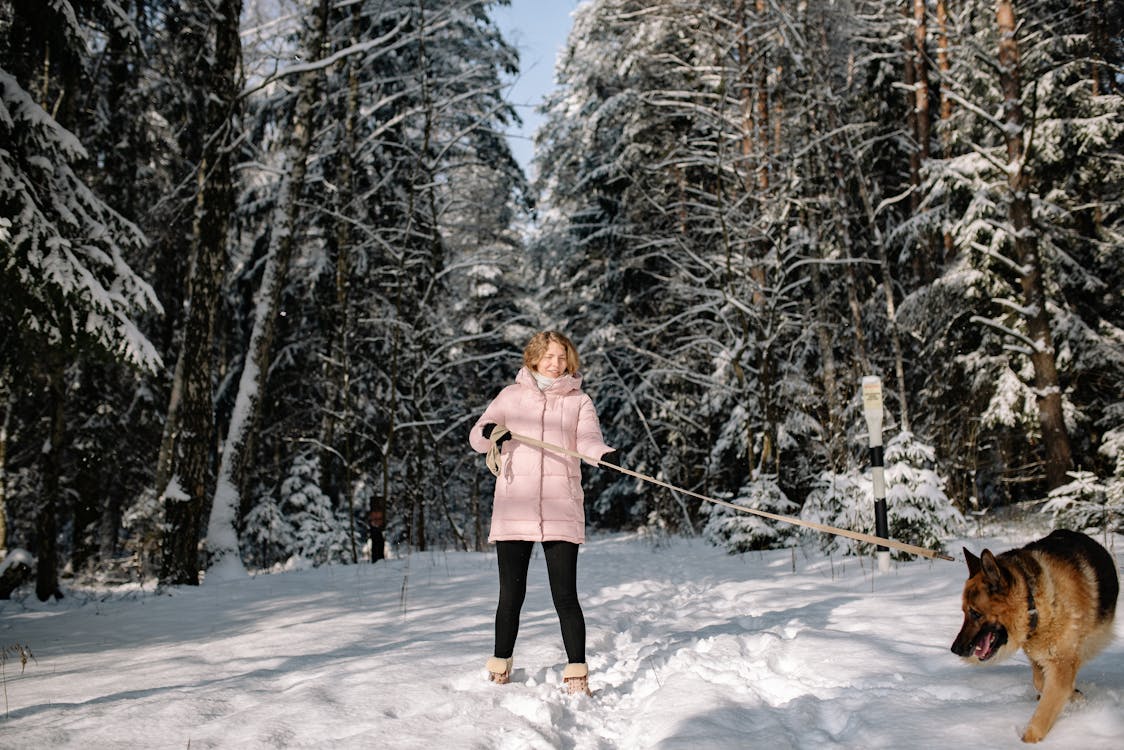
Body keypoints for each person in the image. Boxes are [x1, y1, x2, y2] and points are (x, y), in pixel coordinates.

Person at [469, 331, 617, 696]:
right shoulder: (510, 396)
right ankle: (500, 666)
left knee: (565, 595)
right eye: (549, 356)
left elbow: (587, 440)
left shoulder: (579, 401)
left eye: (562, 356)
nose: (556, 363)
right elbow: (476, 435)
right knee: (510, 595)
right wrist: (490, 433)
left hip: (560, 504)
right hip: (514, 504)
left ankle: (577, 674)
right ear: (534, 357)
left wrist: (603, 454)